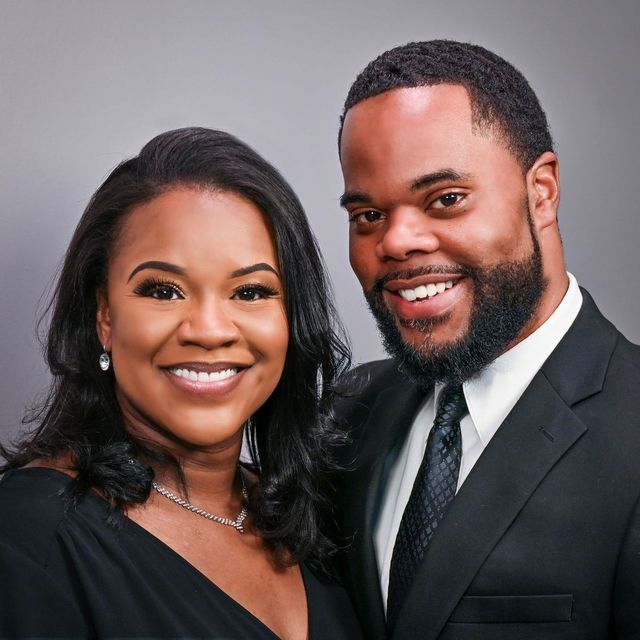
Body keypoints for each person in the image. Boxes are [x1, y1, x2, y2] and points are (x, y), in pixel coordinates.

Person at [0, 127, 362, 639]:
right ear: (104, 315)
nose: (210, 331)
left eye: (251, 292)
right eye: (164, 291)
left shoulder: (310, 518)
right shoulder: (28, 538)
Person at [332, 40, 640, 639]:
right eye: (367, 216)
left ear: (541, 192)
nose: (396, 241)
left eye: (445, 200)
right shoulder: (350, 411)